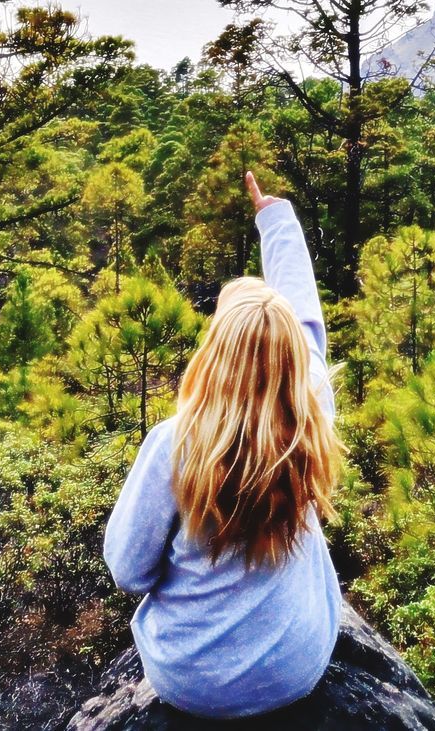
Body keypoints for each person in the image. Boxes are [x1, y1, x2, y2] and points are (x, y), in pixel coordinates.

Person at [103, 172, 342, 719]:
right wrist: (277, 222)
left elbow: (128, 570)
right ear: (293, 361)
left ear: (214, 353)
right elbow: (306, 325)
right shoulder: (312, 420)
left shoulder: (176, 445)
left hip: (191, 682)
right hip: (293, 672)